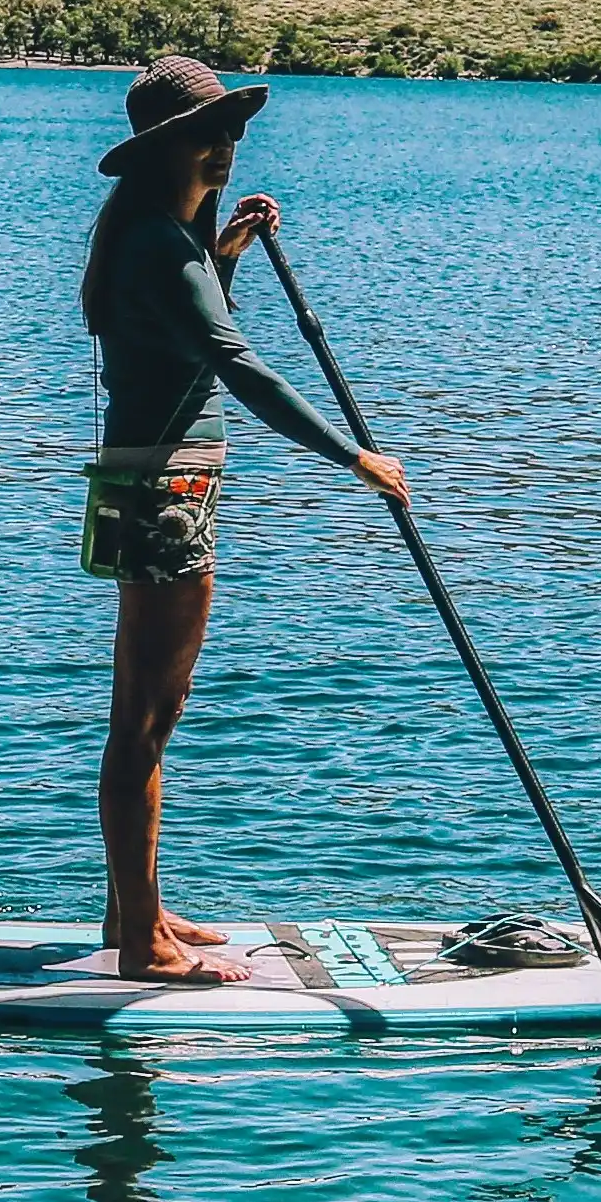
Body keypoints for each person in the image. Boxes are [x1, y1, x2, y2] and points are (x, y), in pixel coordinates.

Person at [78, 55, 406, 982]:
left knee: (152, 714)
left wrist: (224, 254)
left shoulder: (158, 236)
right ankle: (141, 944)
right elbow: (235, 363)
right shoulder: (154, 240)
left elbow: (180, 330)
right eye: (208, 136)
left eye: (233, 132)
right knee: (145, 719)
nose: (226, 148)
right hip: (164, 492)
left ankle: (131, 909)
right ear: (164, 149)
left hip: (157, 482)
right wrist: (352, 455)